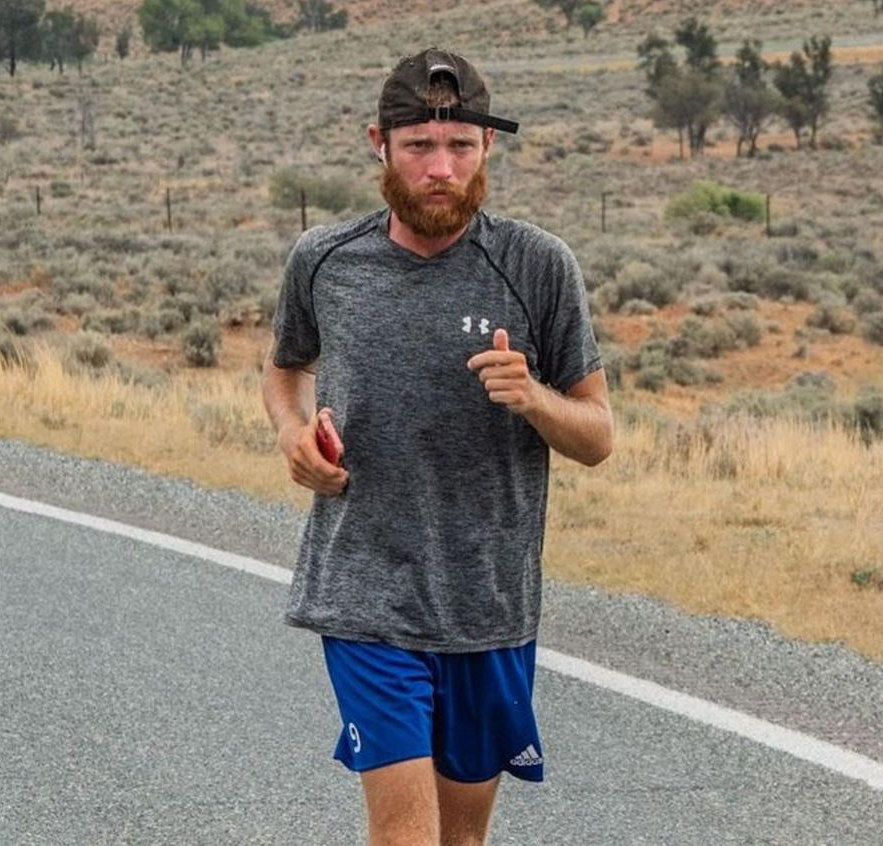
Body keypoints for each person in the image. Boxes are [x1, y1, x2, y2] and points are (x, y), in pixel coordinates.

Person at [260, 47, 613, 846]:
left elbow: (598, 436)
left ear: (489, 147)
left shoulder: (538, 266)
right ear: (378, 144)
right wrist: (291, 432)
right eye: (419, 146)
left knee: (461, 840)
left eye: (459, 146)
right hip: (364, 591)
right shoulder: (325, 261)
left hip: (488, 603)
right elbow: (286, 370)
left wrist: (534, 399)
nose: (440, 167)